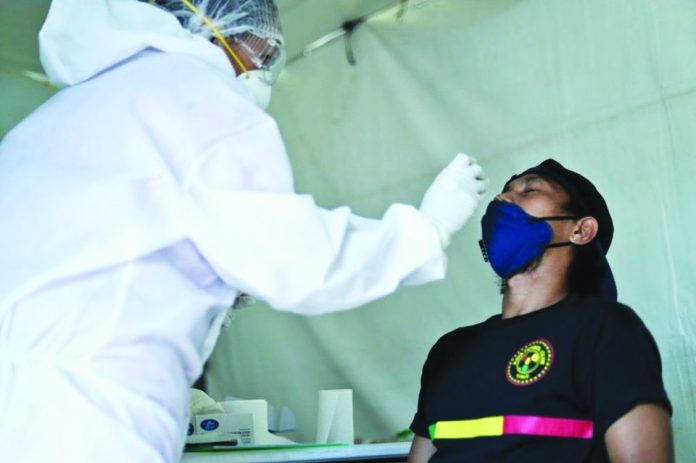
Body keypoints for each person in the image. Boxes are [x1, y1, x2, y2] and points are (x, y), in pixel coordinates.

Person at [0, 1, 487, 462]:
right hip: (87, 412)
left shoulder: (62, 115)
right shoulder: (197, 94)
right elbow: (301, 261)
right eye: (263, 44)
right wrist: (425, 230)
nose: (267, 61)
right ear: (209, 22)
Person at [408, 159, 673, 462]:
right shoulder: (450, 349)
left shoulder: (605, 329)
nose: (501, 200)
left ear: (581, 230)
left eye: (530, 190)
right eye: (503, 193)